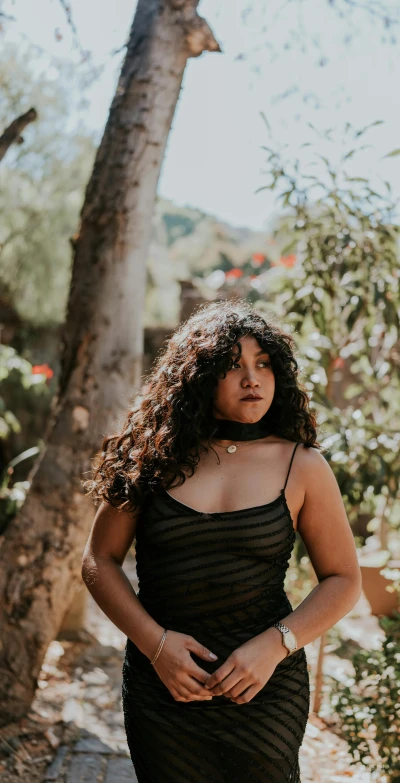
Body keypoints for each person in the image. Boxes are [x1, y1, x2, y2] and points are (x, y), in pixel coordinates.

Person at [82, 300, 361, 783]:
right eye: (232, 367)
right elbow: (98, 561)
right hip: (162, 690)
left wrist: (275, 646)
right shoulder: (154, 457)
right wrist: (156, 647)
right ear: (197, 378)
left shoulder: (304, 466)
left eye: (263, 364)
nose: (252, 379)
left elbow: (344, 579)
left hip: (265, 692)